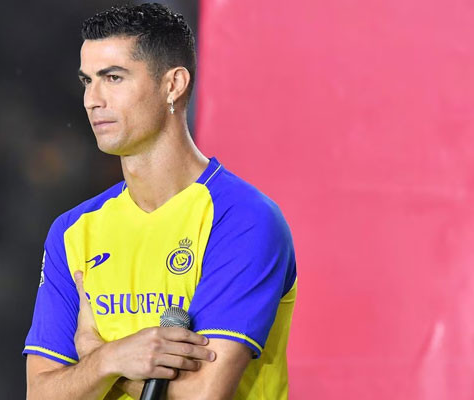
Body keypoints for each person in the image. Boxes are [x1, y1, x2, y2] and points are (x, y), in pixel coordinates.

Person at [23, 3, 297, 399]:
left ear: (173, 84)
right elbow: (41, 393)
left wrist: (97, 357)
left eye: (113, 78)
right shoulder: (72, 230)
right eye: (87, 81)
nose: (91, 100)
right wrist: (108, 360)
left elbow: (204, 395)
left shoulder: (243, 219)